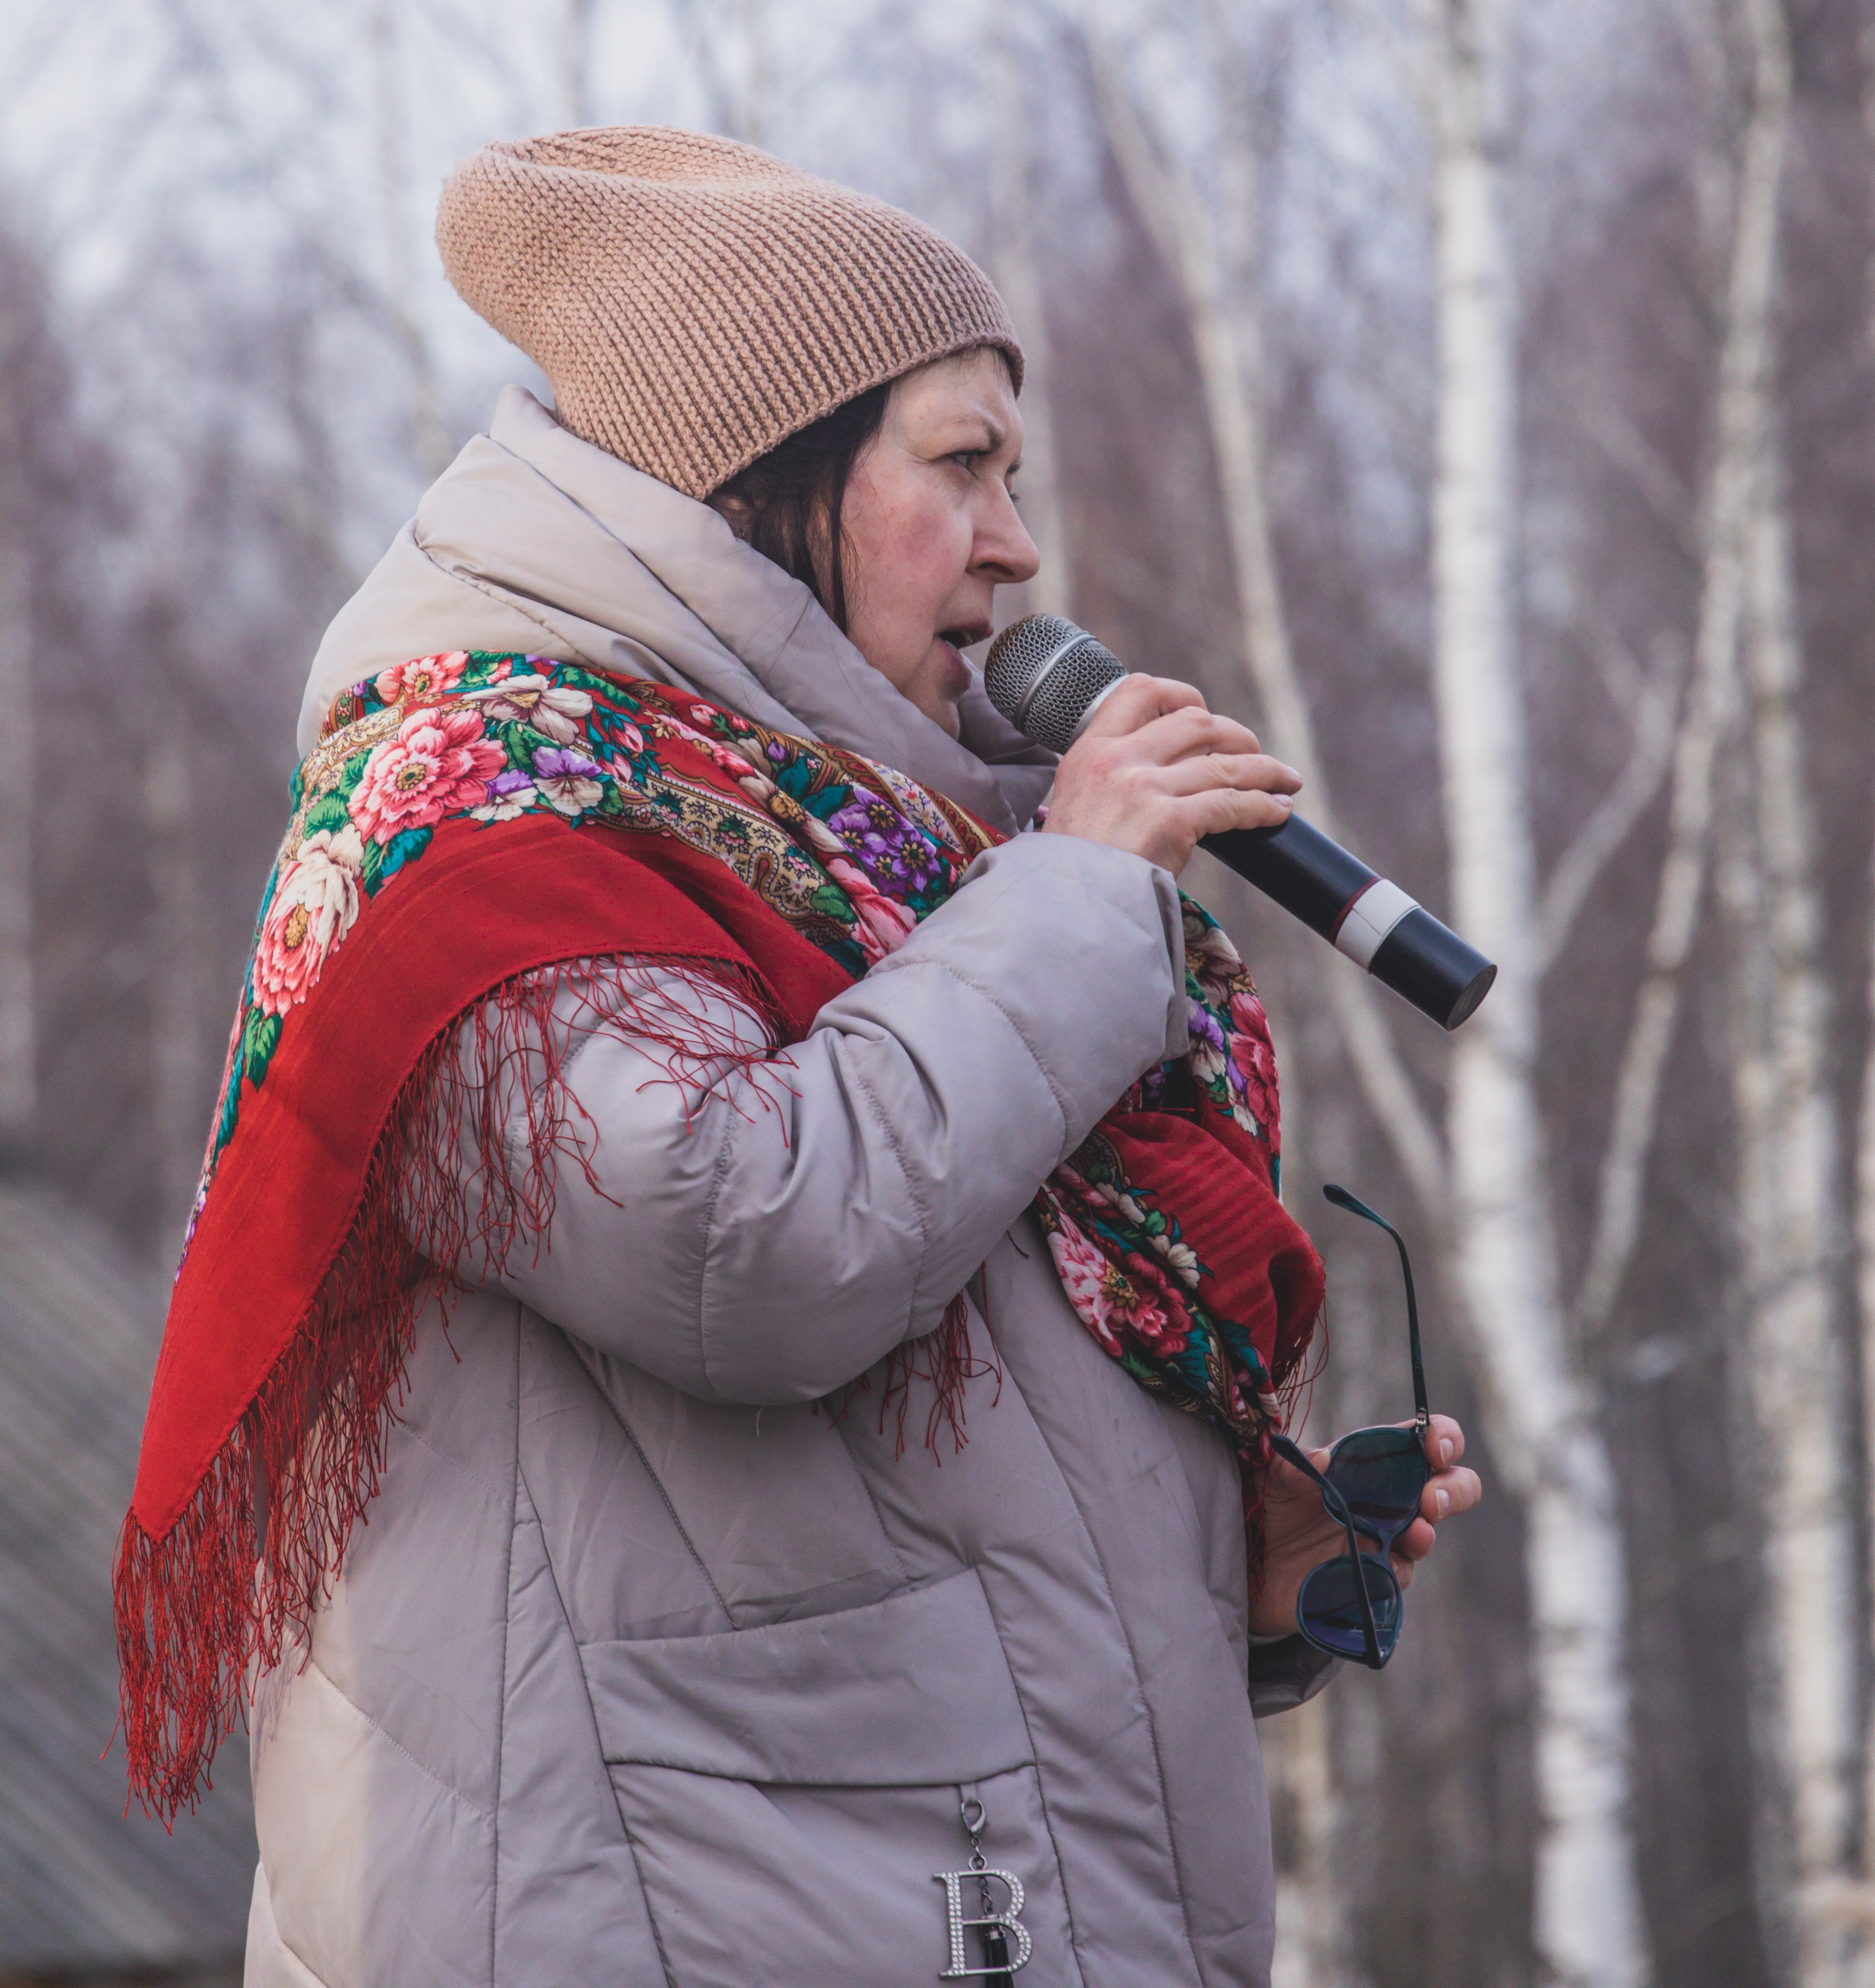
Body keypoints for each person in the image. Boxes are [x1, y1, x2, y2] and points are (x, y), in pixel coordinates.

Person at [116, 128, 1479, 1988]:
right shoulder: (471, 827)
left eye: (1017, 474)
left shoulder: (878, 853)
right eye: (959, 467)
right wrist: (1077, 893)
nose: (1015, 543)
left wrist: (1230, 1572)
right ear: (754, 477)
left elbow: (898, 1490)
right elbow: (735, 1240)